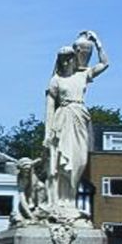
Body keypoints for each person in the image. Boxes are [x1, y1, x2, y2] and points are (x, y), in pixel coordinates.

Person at [44, 31, 108, 208]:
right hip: (63, 118)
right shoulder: (55, 80)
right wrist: (47, 134)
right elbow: (49, 108)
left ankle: (70, 200)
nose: (66, 62)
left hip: (80, 116)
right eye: (63, 59)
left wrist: (97, 43)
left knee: (80, 161)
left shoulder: (83, 75)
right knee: (63, 162)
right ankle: (62, 201)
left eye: (69, 58)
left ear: (75, 58)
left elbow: (105, 63)